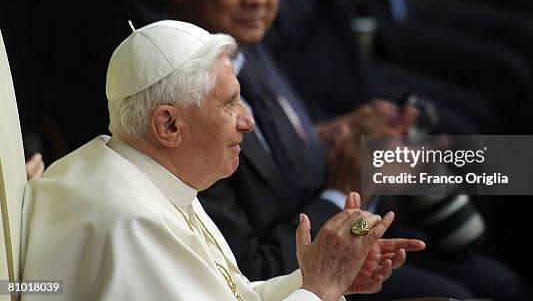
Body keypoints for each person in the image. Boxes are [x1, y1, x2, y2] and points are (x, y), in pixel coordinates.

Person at [155, 0, 525, 300]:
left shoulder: (246, 45)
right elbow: (245, 272)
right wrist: (343, 193)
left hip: (351, 231)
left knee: (492, 276)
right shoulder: (185, 106)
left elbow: (310, 168)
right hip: (301, 279)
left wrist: (340, 133)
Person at [21, 20, 423, 301]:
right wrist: (319, 289)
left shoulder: (145, 174)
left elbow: (232, 294)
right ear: (169, 125)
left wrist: (322, 277)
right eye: (230, 104)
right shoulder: (132, 222)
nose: (247, 122)